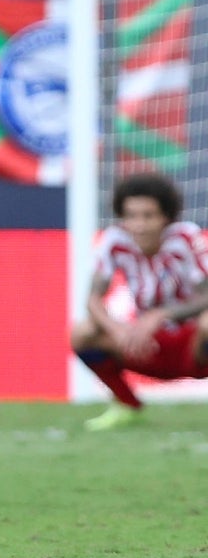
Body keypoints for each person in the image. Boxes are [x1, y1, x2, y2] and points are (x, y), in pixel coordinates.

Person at [71, 172, 208, 432]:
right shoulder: (114, 241)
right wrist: (118, 330)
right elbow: (92, 300)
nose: (139, 225)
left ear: (166, 216)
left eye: (148, 215)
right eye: (131, 216)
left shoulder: (185, 238)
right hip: (147, 346)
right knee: (83, 332)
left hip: (194, 348)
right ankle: (126, 406)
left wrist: (162, 315)